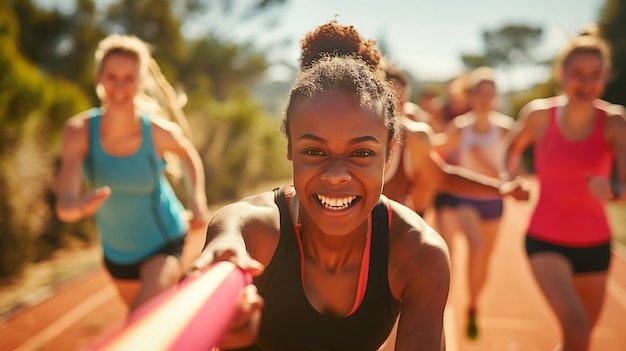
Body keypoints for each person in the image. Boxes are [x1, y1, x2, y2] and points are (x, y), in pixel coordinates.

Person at [188, 21, 451, 350]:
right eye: (314, 150)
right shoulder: (255, 230)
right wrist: (218, 276)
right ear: (289, 147)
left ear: (390, 151)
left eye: (361, 153)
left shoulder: (418, 255)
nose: (336, 174)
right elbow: (230, 232)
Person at [55, 34, 210, 314]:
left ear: (141, 82)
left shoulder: (159, 133)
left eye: (129, 77)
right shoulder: (77, 133)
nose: (120, 86)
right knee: (154, 325)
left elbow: (189, 156)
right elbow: (65, 206)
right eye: (112, 76)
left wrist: (197, 199)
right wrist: (78, 207)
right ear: (98, 77)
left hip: (164, 241)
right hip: (117, 256)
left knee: (140, 324)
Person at [503, 26, 626, 351]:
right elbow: (511, 148)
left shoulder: (614, 121)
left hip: (596, 244)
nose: (586, 83)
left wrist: (612, 188)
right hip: (545, 239)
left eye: (595, 75)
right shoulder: (539, 115)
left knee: (577, 342)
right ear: (561, 73)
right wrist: (509, 178)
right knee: (578, 329)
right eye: (578, 74)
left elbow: (624, 185)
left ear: (605, 76)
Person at [380, 59, 528, 218]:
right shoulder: (351, 133)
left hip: (383, 233)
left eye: (400, 101)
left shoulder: (414, 138)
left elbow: (443, 177)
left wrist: (501, 187)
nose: (393, 108)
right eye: (388, 100)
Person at [435, 66, 514, 340]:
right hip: (465, 199)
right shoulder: (460, 127)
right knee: (475, 247)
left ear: (495, 98)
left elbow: (511, 173)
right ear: (471, 96)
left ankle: (473, 305)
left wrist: (489, 166)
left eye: (489, 95)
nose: (484, 100)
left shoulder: (505, 129)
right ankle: (444, 305)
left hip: (494, 202)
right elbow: (438, 149)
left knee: (484, 260)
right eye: (480, 94)